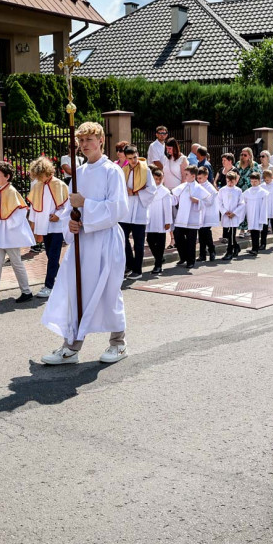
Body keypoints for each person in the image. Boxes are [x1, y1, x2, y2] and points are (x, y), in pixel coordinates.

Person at [41, 121, 130, 365]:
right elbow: (71, 208)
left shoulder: (112, 171)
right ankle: (71, 347)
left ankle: (118, 344)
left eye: (89, 140)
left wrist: (85, 205)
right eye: (80, 141)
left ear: (101, 141)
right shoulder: (78, 174)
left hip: (105, 240)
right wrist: (71, 223)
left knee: (108, 291)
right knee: (75, 291)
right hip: (83, 241)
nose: (83, 145)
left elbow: (118, 208)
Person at [0, 161, 35, 306]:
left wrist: (1, 213)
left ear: (7, 176)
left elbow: (21, 211)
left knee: (16, 263)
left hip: (9, 235)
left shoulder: (12, 192)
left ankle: (26, 291)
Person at [27, 156, 70, 299]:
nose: (39, 179)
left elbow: (67, 205)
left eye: (40, 176)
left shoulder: (60, 184)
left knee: (53, 256)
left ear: (47, 172)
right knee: (49, 255)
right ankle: (63, 281)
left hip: (57, 227)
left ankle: (49, 285)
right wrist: (32, 224)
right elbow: (34, 206)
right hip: (44, 226)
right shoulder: (38, 185)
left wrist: (58, 214)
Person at [119, 144, 156, 280]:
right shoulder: (123, 170)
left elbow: (152, 190)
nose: (133, 161)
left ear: (137, 154)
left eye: (134, 157)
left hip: (140, 209)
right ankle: (130, 265)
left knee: (139, 242)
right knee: (122, 239)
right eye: (130, 158)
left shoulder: (146, 170)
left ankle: (138, 269)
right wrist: (126, 192)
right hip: (126, 211)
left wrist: (136, 192)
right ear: (126, 159)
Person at [171, 165, 207, 269]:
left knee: (191, 241)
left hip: (192, 217)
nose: (184, 176)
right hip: (181, 217)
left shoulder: (199, 188)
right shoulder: (182, 186)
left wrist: (198, 201)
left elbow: (207, 202)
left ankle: (191, 261)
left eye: (186, 174)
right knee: (178, 236)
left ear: (193, 175)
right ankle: (183, 257)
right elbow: (175, 200)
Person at [146, 168, 173, 275]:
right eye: (155, 179)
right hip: (151, 219)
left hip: (161, 219)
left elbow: (168, 208)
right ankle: (159, 258)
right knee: (150, 240)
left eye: (159, 179)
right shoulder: (149, 189)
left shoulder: (165, 192)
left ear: (162, 179)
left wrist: (168, 221)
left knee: (160, 242)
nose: (157, 181)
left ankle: (158, 265)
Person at [216, 170, 244, 259]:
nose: (230, 183)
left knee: (232, 233)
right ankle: (236, 247)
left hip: (234, 215)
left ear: (235, 181)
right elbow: (219, 202)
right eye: (228, 181)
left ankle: (229, 252)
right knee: (228, 234)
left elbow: (242, 203)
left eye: (232, 182)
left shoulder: (238, 191)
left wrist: (234, 212)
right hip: (226, 215)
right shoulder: (222, 190)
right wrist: (224, 211)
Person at [241, 172, 268, 255]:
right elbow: (244, 204)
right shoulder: (247, 192)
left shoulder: (263, 192)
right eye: (252, 181)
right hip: (250, 214)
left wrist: (262, 218)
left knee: (256, 231)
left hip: (258, 214)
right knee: (252, 231)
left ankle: (255, 249)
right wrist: (243, 216)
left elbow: (264, 206)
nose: (253, 183)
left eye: (255, 181)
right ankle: (254, 247)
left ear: (259, 181)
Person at [197, 166, 219, 262]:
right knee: (201, 233)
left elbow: (209, 201)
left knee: (206, 231)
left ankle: (211, 250)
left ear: (206, 177)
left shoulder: (210, 188)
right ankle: (202, 254)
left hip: (209, 213)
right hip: (201, 213)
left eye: (200, 178)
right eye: (198, 178)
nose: (199, 180)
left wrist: (198, 200)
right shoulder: (198, 186)